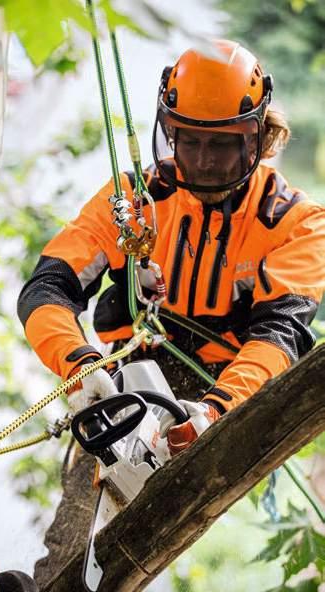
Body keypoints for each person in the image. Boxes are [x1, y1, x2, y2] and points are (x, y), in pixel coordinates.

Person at [18, 39, 325, 458]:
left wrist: (217, 411)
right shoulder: (133, 200)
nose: (204, 161)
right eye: (189, 140)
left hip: (227, 387)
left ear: (257, 139)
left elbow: (280, 333)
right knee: (91, 499)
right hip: (127, 373)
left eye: (221, 144)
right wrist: (81, 365)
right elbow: (46, 288)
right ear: (169, 132)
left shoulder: (298, 224)